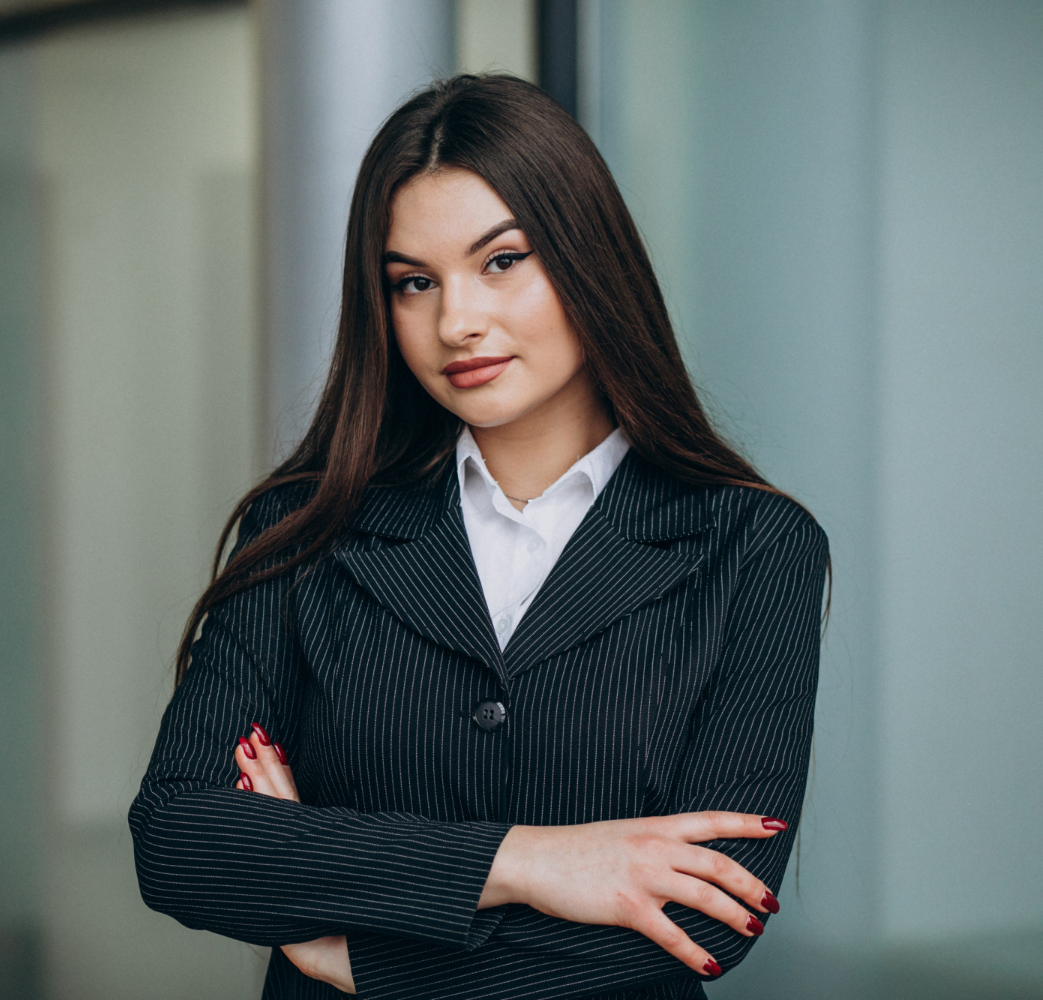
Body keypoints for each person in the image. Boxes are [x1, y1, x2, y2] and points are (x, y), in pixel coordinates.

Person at [129, 74, 827, 1000]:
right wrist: (528, 861)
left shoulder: (755, 546)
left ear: (588, 259)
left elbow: (708, 912)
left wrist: (350, 949)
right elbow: (182, 838)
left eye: (502, 261)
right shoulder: (308, 527)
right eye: (414, 283)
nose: (455, 322)